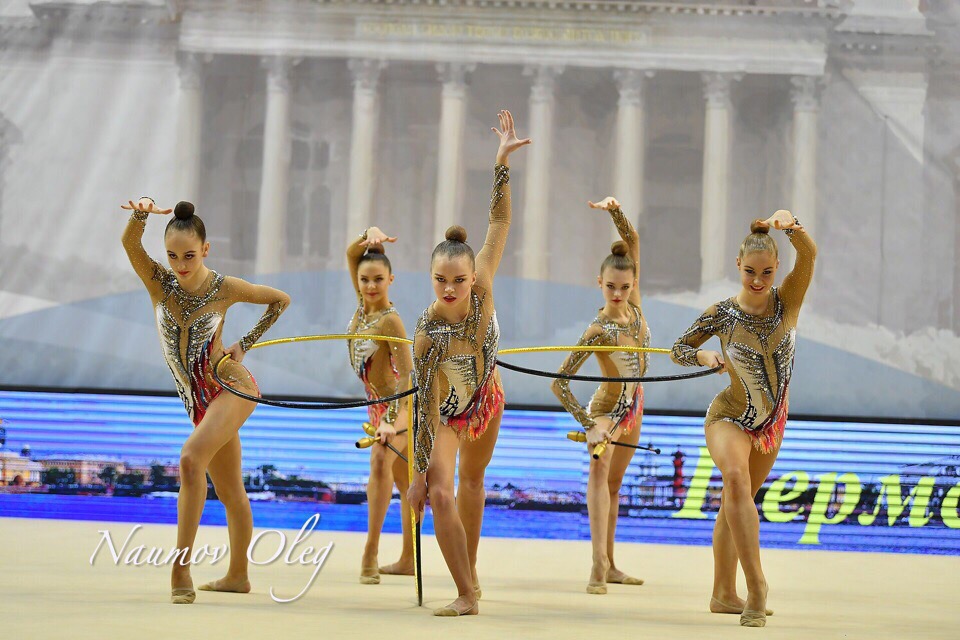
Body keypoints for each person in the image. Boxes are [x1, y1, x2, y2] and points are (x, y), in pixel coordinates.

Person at [121, 198, 290, 604]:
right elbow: (130, 244)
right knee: (231, 491)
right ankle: (238, 576)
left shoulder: (223, 287)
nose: (181, 265)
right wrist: (141, 214)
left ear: (206, 250)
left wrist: (245, 343)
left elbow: (279, 299)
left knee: (190, 459)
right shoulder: (159, 283)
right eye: (173, 256)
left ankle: (180, 568)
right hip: (199, 403)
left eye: (190, 256)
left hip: (232, 386)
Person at [406, 110, 530, 616]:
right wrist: (417, 473)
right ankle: (465, 592)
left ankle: (470, 571)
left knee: (473, 483)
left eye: (459, 280)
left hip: (488, 398)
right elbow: (423, 406)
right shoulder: (426, 334)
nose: (451, 288)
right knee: (439, 490)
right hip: (447, 412)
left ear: (472, 276)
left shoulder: (484, 284)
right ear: (431, 278)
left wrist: (501, 161)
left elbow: (498, 222)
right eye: (441, 280)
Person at [671, 211, 816, 627]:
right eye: (750, 271)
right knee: (735, 479)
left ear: (777, 268)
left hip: (769, 425)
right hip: (729, 415)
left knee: (737, 503)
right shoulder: (722, 313)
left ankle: (722, 594)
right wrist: (702, 354)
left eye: (767, 272)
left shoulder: (788, 300)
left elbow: (808, 256)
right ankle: (757, 587)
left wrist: (791, 226)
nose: (757, 280)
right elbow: (679, 349)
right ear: (738, 265)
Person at [551, 197, 649, 595]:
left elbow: (633, 241)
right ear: (599, 283)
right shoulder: (597, 329)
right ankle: (596, 563)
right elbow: (559, 383)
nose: (618, 294)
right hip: (607, 409)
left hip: (634, 408)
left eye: (625, 287)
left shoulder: (636, 310)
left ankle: (611, 564)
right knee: (599, 470)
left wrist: (615, 212)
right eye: (611, 287)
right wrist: (589, 424)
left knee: (614, 484)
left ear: (633, 284)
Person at [344, 228, 415, 584]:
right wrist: (367, 235)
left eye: (378, 280)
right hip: (376, 404)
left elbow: (407, 376)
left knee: (379, 460)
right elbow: (350, 254)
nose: (371, 286)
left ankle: (369, 553)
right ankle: (408, 558)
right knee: (402, 479)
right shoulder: (362, 308)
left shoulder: (390, 319)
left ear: (391, 280)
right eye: (364, 280)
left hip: (402, 404)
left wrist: (391, 419)